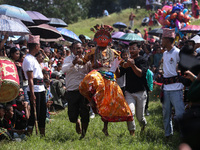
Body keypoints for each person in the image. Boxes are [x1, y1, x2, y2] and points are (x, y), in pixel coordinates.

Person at [79, 24, 133, 136]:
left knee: (109, 103)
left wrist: (130, 63)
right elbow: (83, 62)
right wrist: (76, 60)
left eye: (105, 38)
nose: (102, 40)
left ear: (109, 40)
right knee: (91, 78)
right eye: (100, 38)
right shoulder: (93, 51)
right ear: (95, 39)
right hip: (98, 75)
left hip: (109, 78)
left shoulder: (114, 52)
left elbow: (123, 65)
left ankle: (105, 127)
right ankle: (91, 100)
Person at [117, 41, 148, 136]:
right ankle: (132, 134)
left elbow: (140, 74)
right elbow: (118, 75)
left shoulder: (143, 60)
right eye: (130, 49)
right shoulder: (126, 61)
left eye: (134, 48)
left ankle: (143, 125)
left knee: (140, 117)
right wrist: (115, 65)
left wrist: (132, 65)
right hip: (129, 92)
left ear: (139, 49)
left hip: (141, 92)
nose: (131, 50)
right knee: (129, 113)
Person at [62, 41, 91, 139]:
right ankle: (76, 121)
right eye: (76, 48)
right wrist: (73, 63)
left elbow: (91, 71)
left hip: (84, 91)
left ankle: (83, 134)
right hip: (72, 90)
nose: (78, 50)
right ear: (72, 49)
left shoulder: (86, 59)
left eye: (80, 48)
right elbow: (64, 70)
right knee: (72, 116)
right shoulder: (68, 59)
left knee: (85, 113)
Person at [161, 28, 185, 139]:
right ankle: (167, 135)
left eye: (162, 39)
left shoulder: (178, 52)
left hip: (176, 88)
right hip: (166, 88)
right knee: (166, 115)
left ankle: (184, 136)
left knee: (180, 115)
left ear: (167, 39)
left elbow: (183, 68)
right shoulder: (165, 54)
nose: (161, 41)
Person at [22, 35, 47, 136]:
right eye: (39, 45)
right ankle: (29, 133)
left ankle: (42, 134)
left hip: (41, 88)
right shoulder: (28, 59)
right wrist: (32, 94)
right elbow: (30, 78)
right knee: (34, 113)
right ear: (36, 46)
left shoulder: (34, 59)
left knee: (42, 112)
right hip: (35, 89)